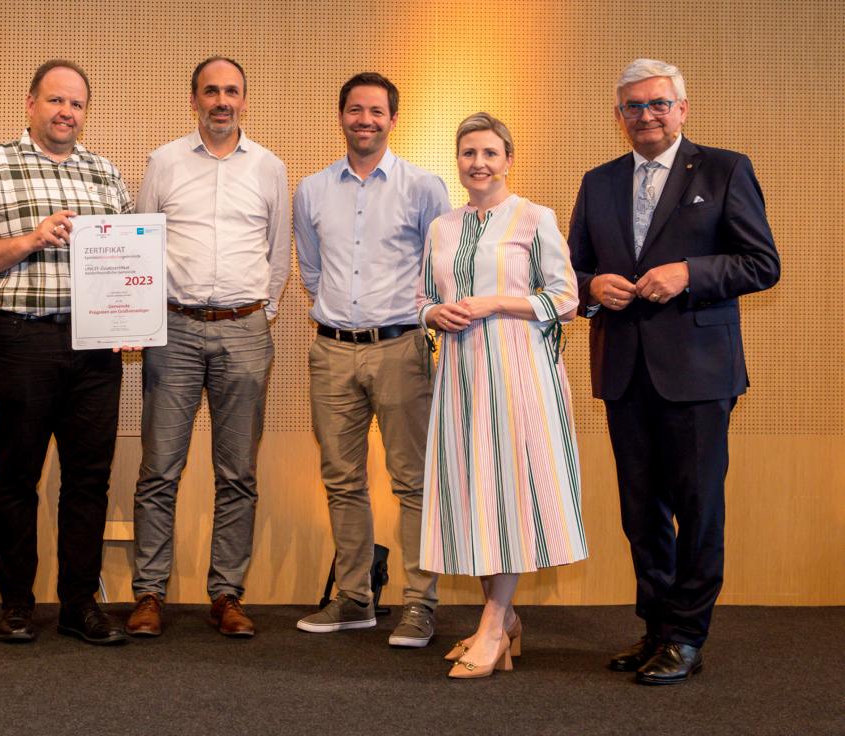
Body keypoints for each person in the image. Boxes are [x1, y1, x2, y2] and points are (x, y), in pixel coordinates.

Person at [568, 59, 779, 685]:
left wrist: (690, 273)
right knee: (641, 513)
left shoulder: (725, 169)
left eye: (658, 103)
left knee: (698, 507)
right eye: (633, 106)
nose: (646, 115)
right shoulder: (598, 182)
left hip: (699, 373)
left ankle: (688, 635)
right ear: (619, 117)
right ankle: (657, 627)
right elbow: (571, 272)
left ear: (682, 109)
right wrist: (589, 286)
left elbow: (761, 263)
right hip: (623, 370)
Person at [0, 59, 134, 646]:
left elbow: (134, 257)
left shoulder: (105, 174)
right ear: (30, 103)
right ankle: (16, 605)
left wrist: (134, 317)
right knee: (18, 474)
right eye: (55, 101)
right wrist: (34, 237)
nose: (66, 112)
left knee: (88, 480)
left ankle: (79, 604)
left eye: (77, 104)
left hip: (95, 346)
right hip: (21, 338)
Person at [418, 113, 588, 679]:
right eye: (468, 153)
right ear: (458, 160)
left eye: (490, 152)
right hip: (461, 377)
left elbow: (566, 298)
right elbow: (421, 296)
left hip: (520, 374)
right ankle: (504, 619)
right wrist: (433, 313)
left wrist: (494, 302)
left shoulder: (534, 219)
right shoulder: (441, 226)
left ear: (508, 158)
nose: (479, 163)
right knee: (476, 494)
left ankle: (493, 625)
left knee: (512, 493)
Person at [124, 57, 289, 639]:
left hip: (246, 331)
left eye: (232, 92)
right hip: (172, 331)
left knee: (238, 473)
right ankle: (149, 592)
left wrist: (258, 314)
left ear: (245, 99)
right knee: (159, 470)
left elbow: (277, 255)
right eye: (211, 91)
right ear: (194, 99)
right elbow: (140, 242)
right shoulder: (163, 162)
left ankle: (227, 594)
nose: (222, 101)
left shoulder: (270, 168)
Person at [293, 72, 450, 647]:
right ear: (341, 117)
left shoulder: (423, 187)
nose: (366, 120)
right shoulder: (311, 190)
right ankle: (354, 598)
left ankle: (418, 602)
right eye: (355, 110)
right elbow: (311, 271)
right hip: (332, 350)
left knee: (412, 481)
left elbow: (441, 269)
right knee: (341, 480)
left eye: (377, 111)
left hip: (402, 348)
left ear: (392, 119)